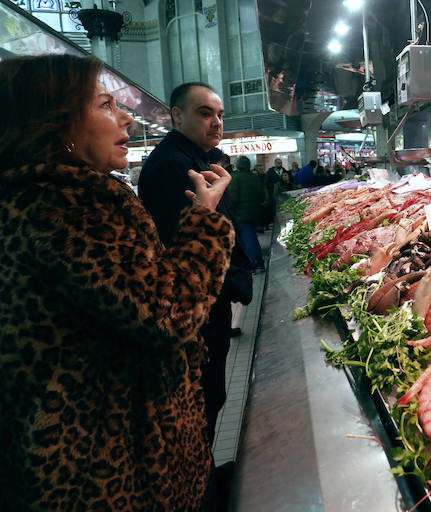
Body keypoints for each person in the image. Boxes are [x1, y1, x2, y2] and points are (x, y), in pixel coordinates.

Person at [0, 54, 234, 510]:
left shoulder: (45, 197)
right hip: (109, 469)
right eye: (106, 105)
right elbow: (169, 313)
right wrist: (205, 221)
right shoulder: (63, 207)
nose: (126, 116)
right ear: (56, 124)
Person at [138, 81, 253, 448]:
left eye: (220, 115)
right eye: (205, 114)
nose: (217, 122)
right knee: (204, 402)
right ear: (177, 115)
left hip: (205, 302)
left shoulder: (196, 159)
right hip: (193, 314)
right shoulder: (173, 166)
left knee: (211, 398)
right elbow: (181, 251)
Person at [228, 155, 266, 271]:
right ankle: (258, 261)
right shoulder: (254, 177)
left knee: (248, 239)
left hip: (241, 215)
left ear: (238, 166)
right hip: (255, 213)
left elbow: (233, 199)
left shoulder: (235, 178)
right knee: (253, 237)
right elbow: (262, 195)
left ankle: (254, 263)